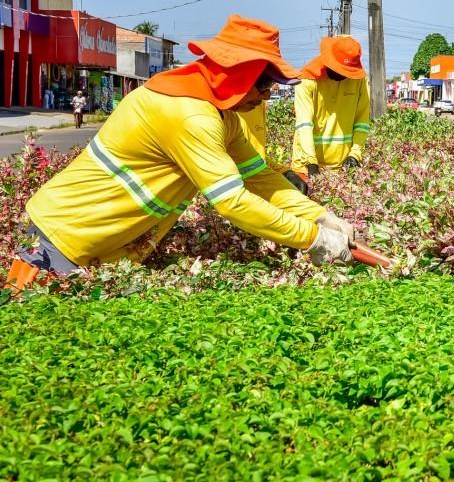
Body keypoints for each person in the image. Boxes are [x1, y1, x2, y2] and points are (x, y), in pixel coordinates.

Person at [5, 15, 359, 290]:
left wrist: (321, 217)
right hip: (64, 235)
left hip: (103, 243)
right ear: (235, 74)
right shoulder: (189, 114)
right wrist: (312, 239)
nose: (266, 96)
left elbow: (260, 178)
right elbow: (233, 201)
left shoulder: (222, 115)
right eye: (264, 83)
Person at [291, 36, 371, 183]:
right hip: (306, 165)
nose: (343, 74)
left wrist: (355, 154)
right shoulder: (307, 79)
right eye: (339, 69)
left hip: (343, 165)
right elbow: (304, 124)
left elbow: (362, 121)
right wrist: (311, 162)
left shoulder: (359, 80)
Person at [237, 96, 310, 195]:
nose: (268, 94)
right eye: (263, 87)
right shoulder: (228, 113)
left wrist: (285, 173)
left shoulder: (258, 103)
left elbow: (257, 158)